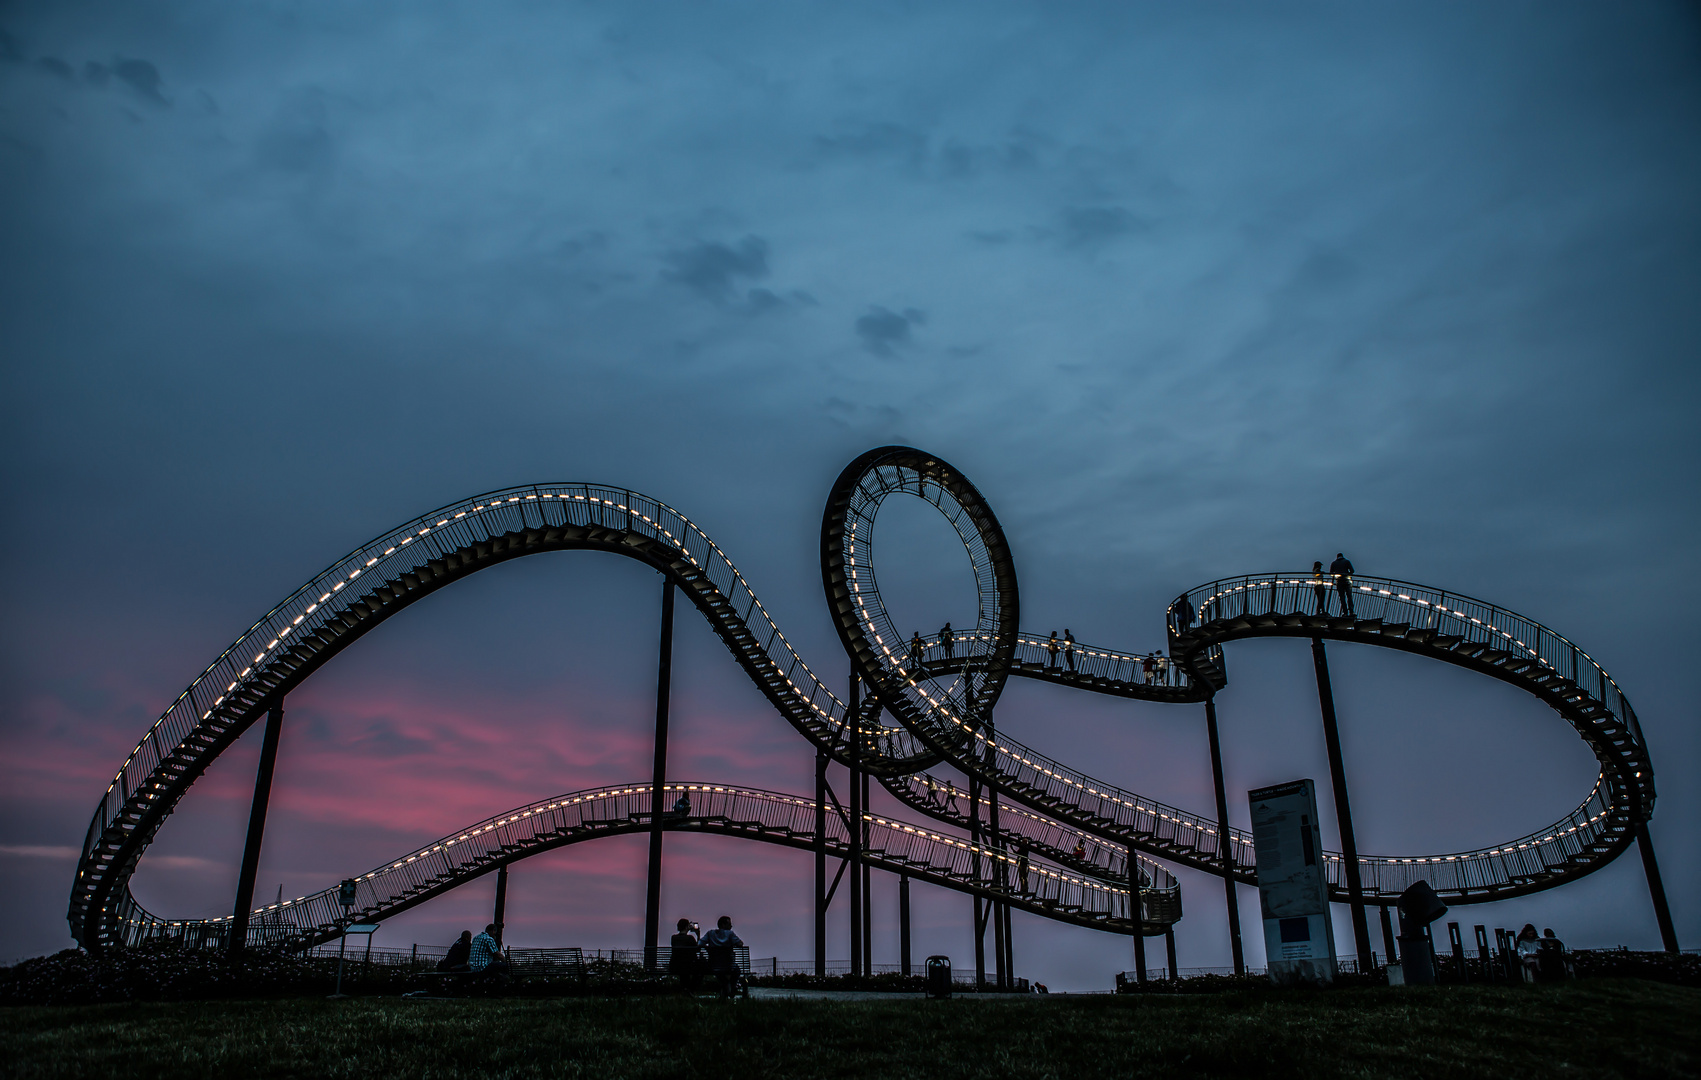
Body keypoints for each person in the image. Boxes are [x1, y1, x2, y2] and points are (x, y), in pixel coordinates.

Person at [700, 915, 745, 998]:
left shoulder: (710, 933)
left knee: (719, 972)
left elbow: (700, 944)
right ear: (723, 925)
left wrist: (708, 947)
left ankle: (726, 987)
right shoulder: (730, 934)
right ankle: (731, 987)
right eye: (729, 924)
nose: (731, 926)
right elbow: (740, 944)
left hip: (713, 966)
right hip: (728, 965)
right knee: (736, 970)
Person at [669, 918, 701, 989]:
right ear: (687, 927)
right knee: (700, 969)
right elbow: (697, 950)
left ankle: (686, 989)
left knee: (683, 969)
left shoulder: (673, 938)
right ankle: (690, 989)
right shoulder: (690, 938)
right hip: (688, 966)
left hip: (674, 966)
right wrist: (698, 935)